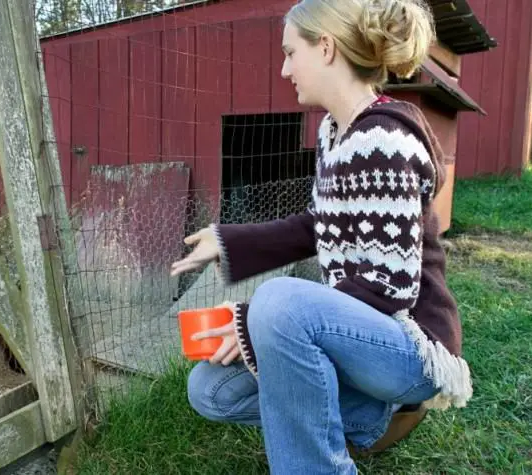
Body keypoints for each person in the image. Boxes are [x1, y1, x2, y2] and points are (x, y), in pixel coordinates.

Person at [168, 0, 473, 473]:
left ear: (326, 48)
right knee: (210, 390)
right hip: (364, 338)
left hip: (409, 348)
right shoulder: (336, 133)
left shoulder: (382, 142)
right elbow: (317, 224)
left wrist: (254, 322)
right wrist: (227, 242)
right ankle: (372, 416)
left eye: (291, 52)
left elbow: (389, 286)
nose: (285, 68)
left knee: (279, 305)